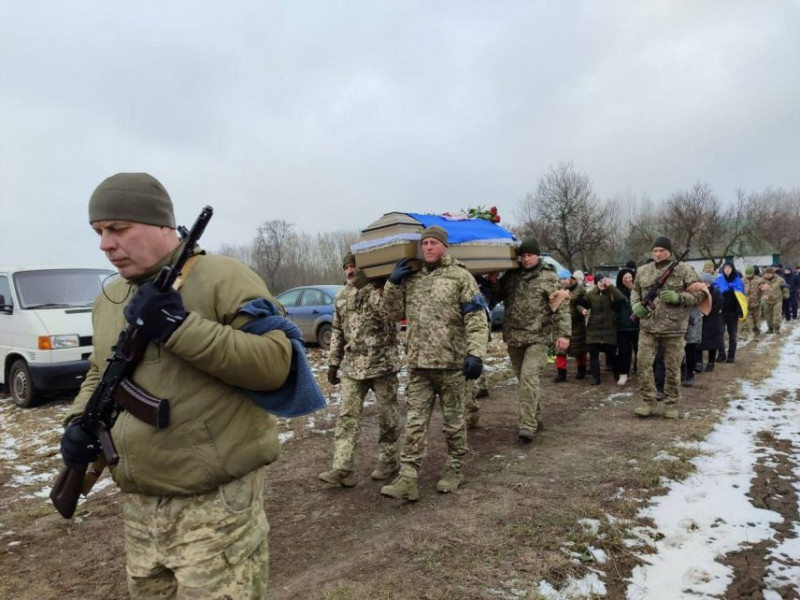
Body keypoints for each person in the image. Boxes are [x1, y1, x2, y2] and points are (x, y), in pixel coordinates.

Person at [59, 173, 294, 598]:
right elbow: (100, 371)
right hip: (139, 505)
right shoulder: (111, 297)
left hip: (216, 504)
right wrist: (79, 421)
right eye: (98, 232)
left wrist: (179, 327)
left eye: (118, 229)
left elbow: (276, 364)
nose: (105, 244)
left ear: (163, 225)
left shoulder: (224, 278)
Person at [380, 226, 488, 501]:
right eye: (424, 243)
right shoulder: (412, 278)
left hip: (452, 364)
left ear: (444, 246)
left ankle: (454, 468)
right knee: (414, 423)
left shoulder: (460, 276)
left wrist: (476, 354)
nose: (427, 247)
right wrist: (392, 284)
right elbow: (392, 313)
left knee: (453, 422)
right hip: (419, 366)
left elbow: (476, 319)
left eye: (433, 243)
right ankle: (408, 477)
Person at [319, 254, 401, 488]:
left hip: (382, 364)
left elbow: (390, 316)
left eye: (353, 266)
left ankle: (388, 461)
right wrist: (334, 362)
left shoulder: (380, 290)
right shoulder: (342, 296)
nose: (349, 271)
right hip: (353, 367)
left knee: (388, 415)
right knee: (347, 417)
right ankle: (343, 468)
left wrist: (368, 288)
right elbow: (337, 330)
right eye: (346, 267)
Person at [490, 237, 571, 441]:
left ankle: (527, 425)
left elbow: (561, 307)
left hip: (539, 337)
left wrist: (564, 334)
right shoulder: (511, 276)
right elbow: (496, 295)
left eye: (530, 255)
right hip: (515, 337)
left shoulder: (549, 277)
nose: (526, 259)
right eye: (523, 256)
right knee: (524, 381)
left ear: (537, 256)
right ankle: (536, 416)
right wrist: (492, 280)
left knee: (528, 378)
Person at [630, 236, 704, 419]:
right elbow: (635, 290)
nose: (657, 253)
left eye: (661, 250)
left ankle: (672, 403)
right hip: (648, 327)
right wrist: (635, 305)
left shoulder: (685, 270)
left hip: (674, 328)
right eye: (655, 250)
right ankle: (648, 402)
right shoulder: (643, 271)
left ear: (669, 251)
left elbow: (701, 294)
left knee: (673, 367)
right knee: (643, 364)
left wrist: (679, 298)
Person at [579, 272, 624, 386]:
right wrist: (582, 310)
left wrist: (611, 286)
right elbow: (580, 304)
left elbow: (621, 298)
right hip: (593, 329)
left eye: (604, 281)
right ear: (596, 282)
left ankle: (616, 373)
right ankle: (596, 378)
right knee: (593, 355)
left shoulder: (611, 293)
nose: (601, 283)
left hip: (609, 329)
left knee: (612, 354)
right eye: (600, 281)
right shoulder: (590, 294)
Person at [714, 261, 744, 363]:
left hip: (733, 312)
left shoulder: (738, 281)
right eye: (725, 268)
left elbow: (742, 297)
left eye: (729, 268)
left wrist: (740, 310)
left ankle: (731, 355)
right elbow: (715, 294)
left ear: (732, 269)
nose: (727, 269)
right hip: (721, 311)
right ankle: (721, 354)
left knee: (732, 334)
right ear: (723, 269)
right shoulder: (719, 280)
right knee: (719, 333)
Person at [615, 266, 639, 386]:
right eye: (626, 278)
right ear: (621, 280)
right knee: (624, 352)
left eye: (630, 277)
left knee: (640, 351)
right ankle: (623, 374)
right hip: (623, 327)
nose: (629, 280)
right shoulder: (617, 292)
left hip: (638, 326)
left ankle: (640, 372)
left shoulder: (637, 290)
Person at [553, 269, 576, 383]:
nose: (562, 281)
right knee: (560, 350)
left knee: (578, 348)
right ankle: (561, 372)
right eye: (561, 279)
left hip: (575, 323)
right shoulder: (557, 292)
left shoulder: (577, 289)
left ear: (570, 279)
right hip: (561, 324)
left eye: (565, 278)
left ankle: (582, 367)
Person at [699, 272, 724, 372]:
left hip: (712, 320)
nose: (705, 285)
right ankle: (699, 362)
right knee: (698, 342)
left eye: (707, 283)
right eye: (703, 283)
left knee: (712, 343)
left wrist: (709, 311)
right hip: (700, 320)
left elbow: (720, 303)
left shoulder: (716, 292)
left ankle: (711, 362)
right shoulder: (698, 292)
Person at [760, 267, 788, 334]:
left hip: (777, 299)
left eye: (769, 273)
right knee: (768, 315)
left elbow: (785, 287)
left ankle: (777, 328)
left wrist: (786, 294)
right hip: (767, 300)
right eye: (767, 273)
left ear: (773, 273)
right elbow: (758, 290)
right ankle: (770, 328)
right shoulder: (761, 280)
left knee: (777, 314)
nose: (768, 275)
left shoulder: (780, 279)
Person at [741, 266, 765, 340]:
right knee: (745, 319)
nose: (748, 275)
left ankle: (757, 334)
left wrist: (763, 299)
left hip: (756, 303)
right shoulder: (742, 280)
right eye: (747, 273)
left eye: (750, 273)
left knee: (756, 320)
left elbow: (764, 290)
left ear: (753, 273)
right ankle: (744, 334)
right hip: (745, 303)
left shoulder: (759, 280)